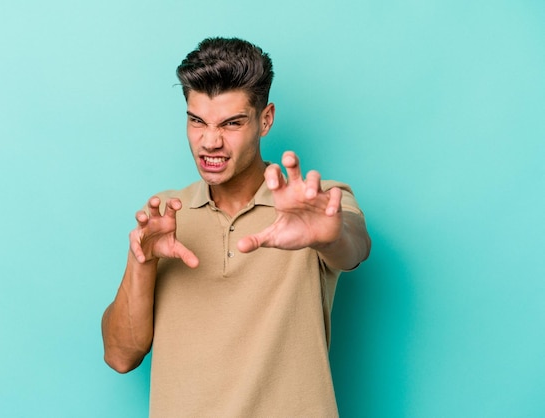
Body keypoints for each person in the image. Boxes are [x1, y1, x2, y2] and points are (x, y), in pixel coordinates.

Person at [101, 37, 371, 417]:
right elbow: (120, 356)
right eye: (197, 121)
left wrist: (333, 235)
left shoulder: (316, 203)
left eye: (231, 123)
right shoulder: (165, 215)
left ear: (265, 120)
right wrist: (141, 263)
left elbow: (356, 244)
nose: (210, 142)